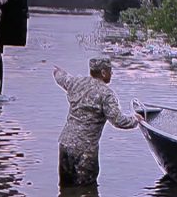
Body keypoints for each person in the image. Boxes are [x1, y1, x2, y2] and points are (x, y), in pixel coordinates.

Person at [53, 57, 142, 186]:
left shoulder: (76, 82)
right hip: (85, 150)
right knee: (86, 190)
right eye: (110, 71)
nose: (112, 73)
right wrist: (135, 120)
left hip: (65, 145)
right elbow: (118, 121)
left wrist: (55, 70)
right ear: (103, 73)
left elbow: (61, 77)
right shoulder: (106, 94)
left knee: (66, 187)